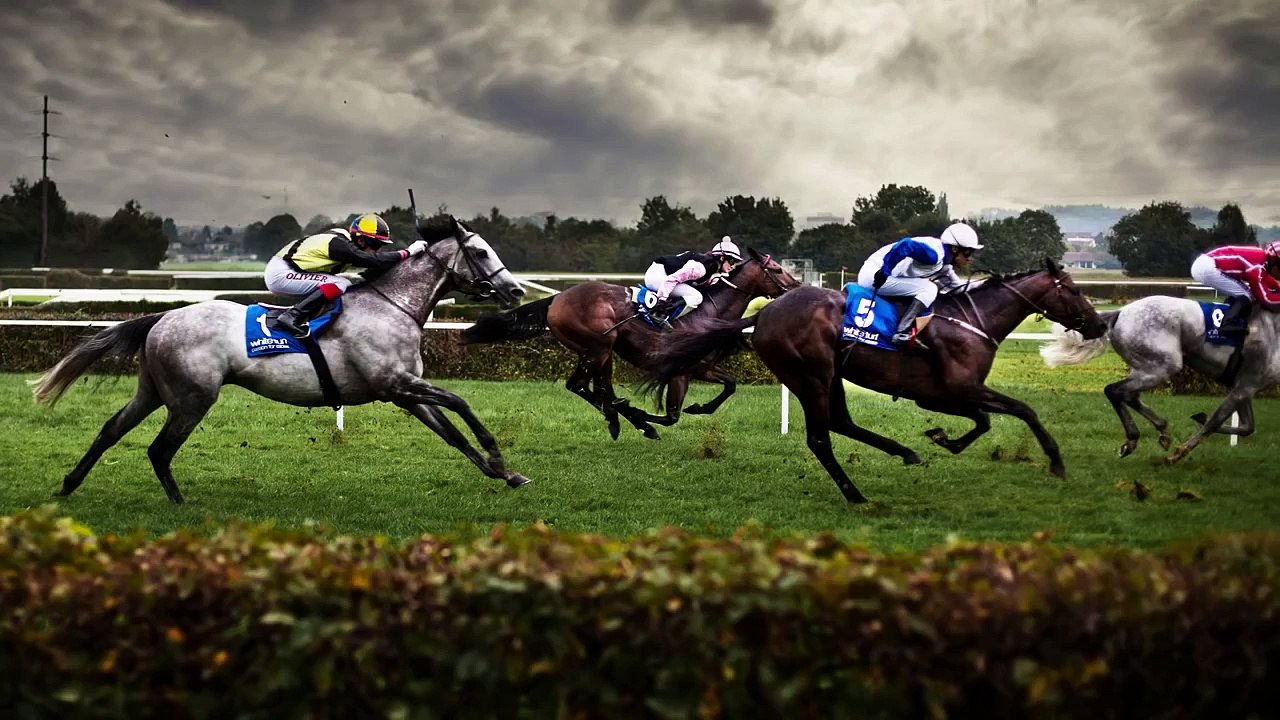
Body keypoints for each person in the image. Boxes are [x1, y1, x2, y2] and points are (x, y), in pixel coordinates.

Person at [264, 213, 428, 338]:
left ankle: (309, 318)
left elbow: (377, 265)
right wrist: (409, 252)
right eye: (376, 244)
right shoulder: (339, 245)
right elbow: (372, 260)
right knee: (339, 283)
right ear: (361, 240)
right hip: (282, 273)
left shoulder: (347, 245)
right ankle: (292, 316)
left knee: (343, 284)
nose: (378, 249)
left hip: (289, 271)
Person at [857, 222, 982, 347]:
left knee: (928, 288)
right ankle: (901, 333)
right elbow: (906, 245)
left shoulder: (945, 265)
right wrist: (885, 271)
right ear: (954, 249)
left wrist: (987, 284)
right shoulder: (934, 255)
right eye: (967, 253)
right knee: (929, 288)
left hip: (885, 276)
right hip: (874, 275)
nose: (969, 258)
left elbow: (959, 288)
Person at [643, 236, 742, 327]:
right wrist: (662, 301)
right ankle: (661, 315)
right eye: (732, 261)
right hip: (656, 275)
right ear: (722, 257)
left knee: (696, 294)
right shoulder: (700, 268)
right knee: (696, 297)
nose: (733, 266)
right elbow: (671, 280)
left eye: (735, 263)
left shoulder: (711, 267)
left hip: (663, 274)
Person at [1189, 241, 1280, 337]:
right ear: (1274, 261)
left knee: (1243, 294)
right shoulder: (1257, 264)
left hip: (1205, 264)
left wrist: (1277, 287)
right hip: (1207, 268)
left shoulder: (1260, 259)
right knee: (1246, 295)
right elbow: (1266, 298)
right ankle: (1226, 325)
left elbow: (1266, 279)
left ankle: (1229, 315)